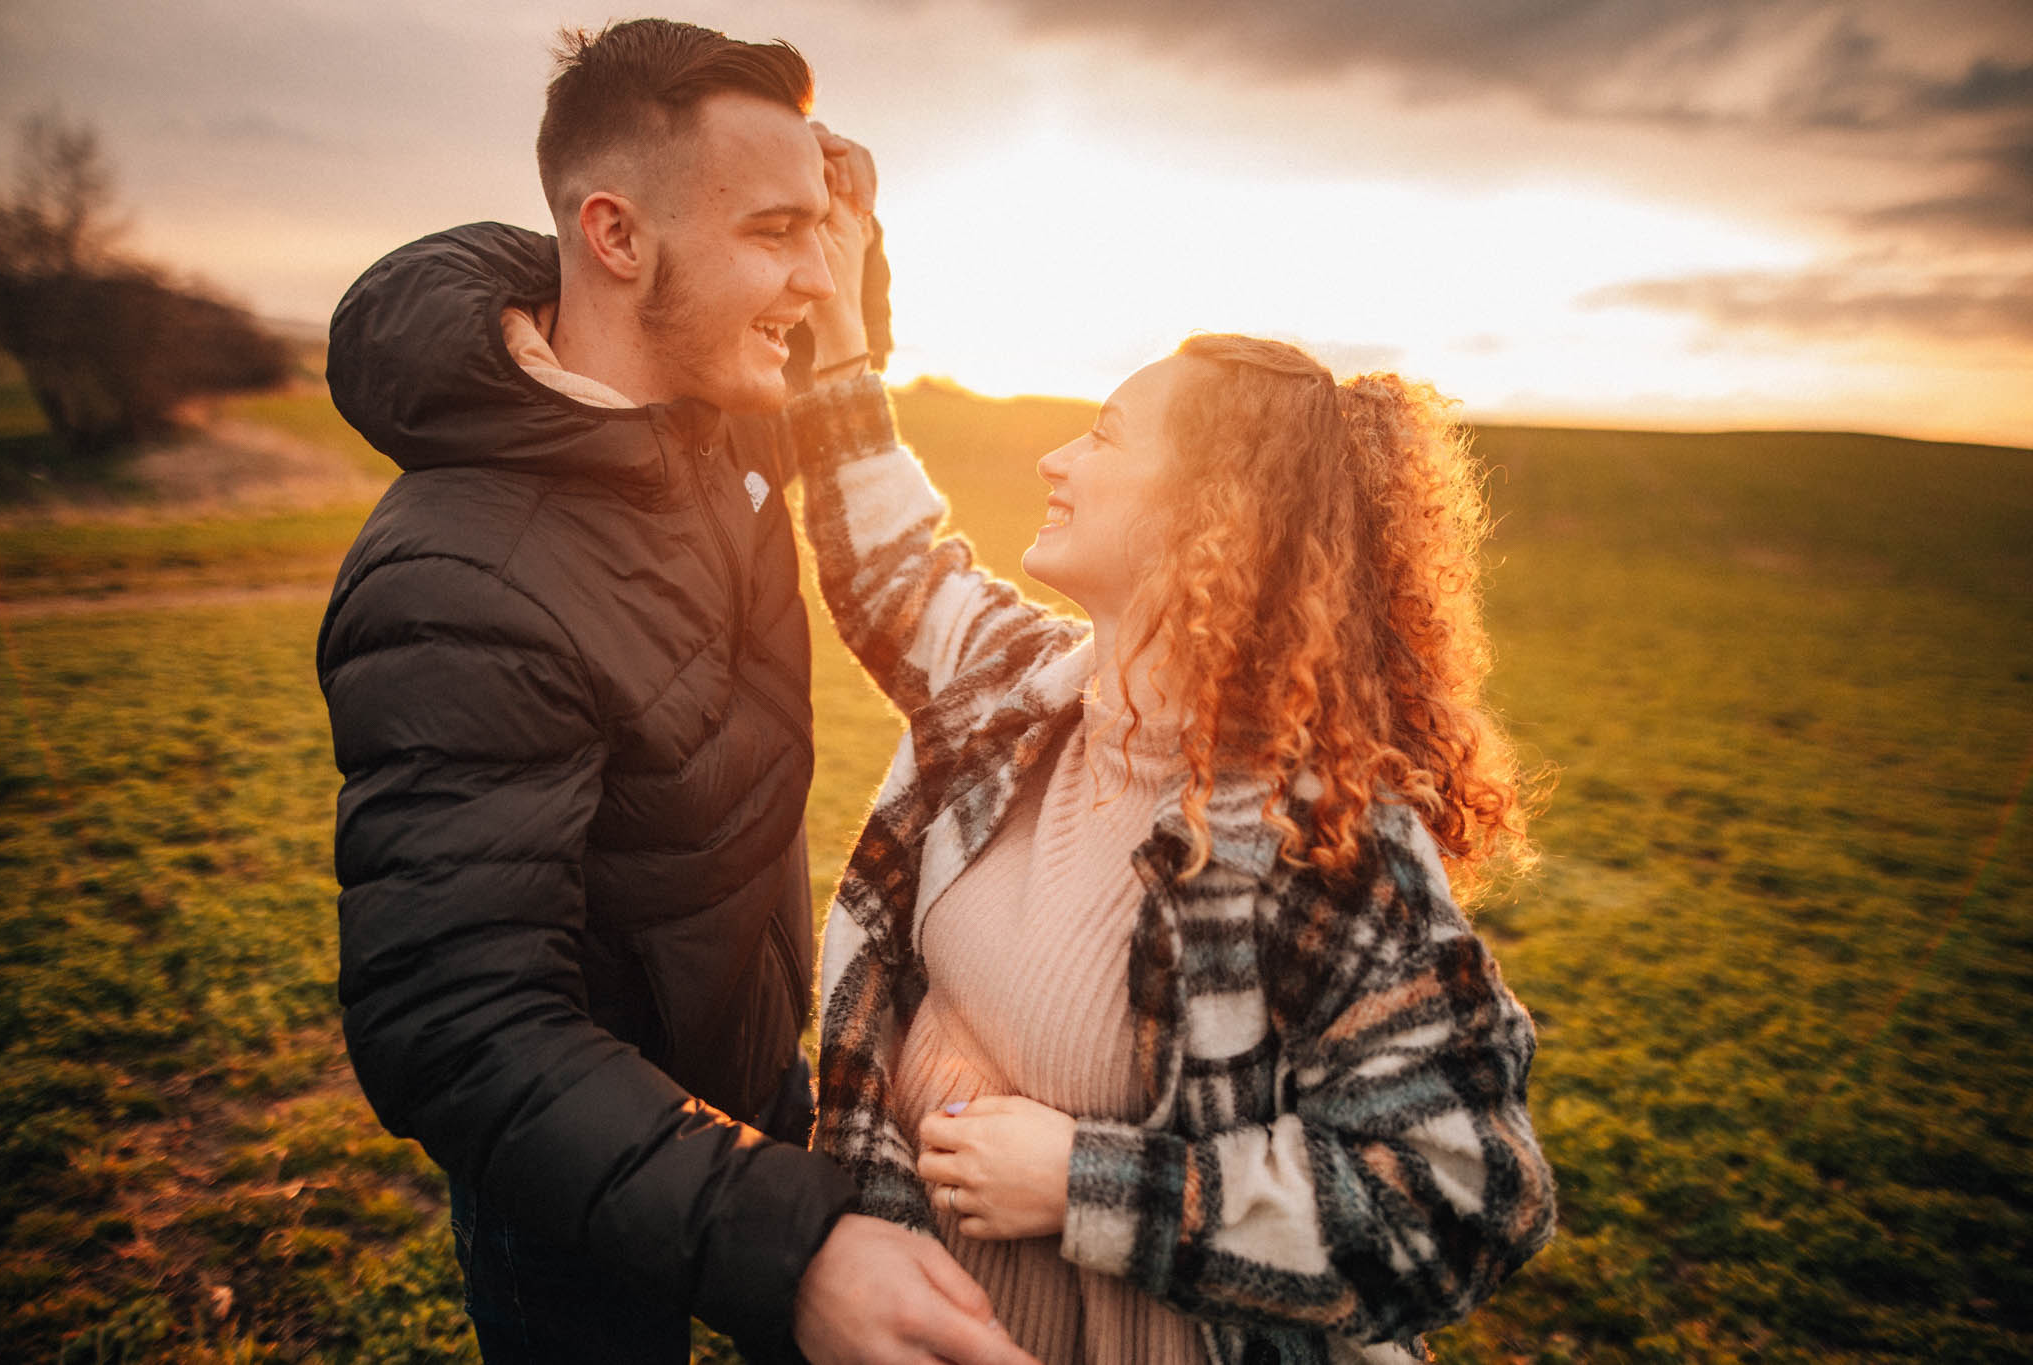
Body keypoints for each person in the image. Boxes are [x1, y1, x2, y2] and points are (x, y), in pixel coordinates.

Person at [317, 20, 1034, 1365]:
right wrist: (790, 1239)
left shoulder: (715, 400)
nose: (813, 279)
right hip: (572, 1165)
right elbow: (456, 1019)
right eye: (774, 233)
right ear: (616, 237)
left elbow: (830, 358)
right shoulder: (459, 576)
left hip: (758, 1063)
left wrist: (842, 236)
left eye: (817, 233)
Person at [787, 205, 1557, 1359]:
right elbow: (892, 563)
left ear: (1212, 512)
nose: (1054, 458)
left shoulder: (1322, 840)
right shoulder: (1017, 692)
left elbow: (1458, 1201)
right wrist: (842, 334)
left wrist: (1089, 1186)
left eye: (1101, 437)